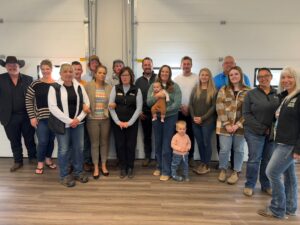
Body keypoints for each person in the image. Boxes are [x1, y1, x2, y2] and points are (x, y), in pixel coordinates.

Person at [258, 67, 300, 219]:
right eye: (283, 78)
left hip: (289, 144)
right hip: (279, 141)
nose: (286, 80)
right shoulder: (285, 96)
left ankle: (277, 208)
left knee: (272, 172)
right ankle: (290, 207)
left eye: (290, 77)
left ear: (296, 78)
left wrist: (298, 149)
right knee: (289, 176)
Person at [48, 63, 90, 187]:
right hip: (63, 125)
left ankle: (78, 172)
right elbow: (53, 108)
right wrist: (69, 121)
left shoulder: (79, 87)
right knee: (64, 150)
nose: (68, 74)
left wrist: (78, 119)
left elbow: (86, 104)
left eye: (70, 71)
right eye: (65, 71)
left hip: (79, 124)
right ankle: (64, 175)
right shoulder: (54, 88)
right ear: (60, 73)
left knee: (79, 149)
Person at [243, 68, 279, 197]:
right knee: (254, 159)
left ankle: (266, 185)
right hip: (253, 132)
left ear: (271, 77)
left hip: (272, 134)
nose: (263, 78)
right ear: (257, 79)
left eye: (266, 76)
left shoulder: (277, 94)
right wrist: (262, 128)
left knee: (268, 160)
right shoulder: (251, 94)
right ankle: (250, 184)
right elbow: (246, 114)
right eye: (260, 77)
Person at [214, 55, 251, 169]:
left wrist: (237, 125)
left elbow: (249, 110)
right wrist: (227, 124)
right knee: (224, 150)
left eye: (236, 74)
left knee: (239, 150)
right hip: (224, 125)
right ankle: (223, 169)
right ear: (228, 77)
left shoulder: (248, 91)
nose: (234, 76)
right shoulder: (223, 89)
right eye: (231, 75)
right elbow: (219, 106)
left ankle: (236, 170)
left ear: (241, 75)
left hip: (240, 126)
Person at [0, 56, 37, 172]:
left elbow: (33, 98)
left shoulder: (28, 79)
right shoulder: (0, 79)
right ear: (5, 66)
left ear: (19, 66)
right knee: (14, 140)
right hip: (9, 117)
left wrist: (34, 115)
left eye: (14, 65)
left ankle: (33, 157)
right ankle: (18, 161)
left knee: (30, 138)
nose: (12, 67)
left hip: (27, 116)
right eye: (9, 65)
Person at [147, 65, 182, 181]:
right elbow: (148, 102)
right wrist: (157, 96)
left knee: (167, 144)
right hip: (156, 118)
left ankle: (166, 171)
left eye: (167, 72)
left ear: (170, 73)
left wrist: (165, 110)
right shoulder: (154, 86)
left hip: (170, 118)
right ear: (159, 73)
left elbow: (177, 104)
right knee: (158, 142)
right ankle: (159, 166)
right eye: (163, 71)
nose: (164, 74)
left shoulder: (175, 86)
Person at [109, 67, 142, 179]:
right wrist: (118, 122)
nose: (125, 77)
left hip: (132, 124)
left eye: (127, 75)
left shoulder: (136, 90)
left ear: (131, 77)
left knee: (130, 145)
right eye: (123, 75)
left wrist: (129, 122)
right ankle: (123, 167)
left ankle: (130, 167)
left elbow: (138, 109)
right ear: (120, 77)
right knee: (120, 145)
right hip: (117, 124)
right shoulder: (115, 88)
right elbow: (111, 107)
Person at [25, 59, 56, 174]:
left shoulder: (56, 84)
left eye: (47, 69)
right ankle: (40, 162)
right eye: (43, 69)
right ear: (40, 70)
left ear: (51, 69)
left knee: (51, 140)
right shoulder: (35, 83)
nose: (45, 71)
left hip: (55, 119)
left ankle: (48, 159)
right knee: (43, 141)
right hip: (41, 118)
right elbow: (28, 100)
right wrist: (32, 117)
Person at [85, 65, 112, 179]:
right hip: (92, 119)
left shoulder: (109, 87)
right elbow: (84, 100)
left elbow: (112, 101)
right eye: (100, 72)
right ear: (95, 74)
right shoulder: (88, 86)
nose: (102, 75)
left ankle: (104, 165)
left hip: (105, 119)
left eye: (104, 73)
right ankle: (96, 167)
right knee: (95, 144)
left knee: (104, 143)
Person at [189, 68, 217, 175]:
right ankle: (202, 162)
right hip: (195, 121)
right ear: (199, 76)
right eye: (202, 75)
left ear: (209, 77)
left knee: (206, 142)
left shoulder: (214, 90)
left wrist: (202, 118)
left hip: (208, 122)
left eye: (206, 75)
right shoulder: (195, 88)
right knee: (200, 143)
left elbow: (214, 107)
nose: (204, 77)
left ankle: (206, 164)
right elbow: (191, 104)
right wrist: (193, 117)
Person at [174, 56, 198, 167]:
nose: (186, 66)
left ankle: (190, 157)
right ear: (181, 65)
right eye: (184, 64)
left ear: (191, 65)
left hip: (192, 111)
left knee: (191, 134)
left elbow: (198, 96)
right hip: (179, 111)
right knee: (179, 134)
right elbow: (174, 96)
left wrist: (189, 108)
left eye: (188, 64)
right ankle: (178, 156)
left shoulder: (196, 78)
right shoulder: (176, 79)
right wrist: (181, 107)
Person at [135, 57, 156, 166]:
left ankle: (159, 157)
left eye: (149, 64)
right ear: (142, 66)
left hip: (157, 113)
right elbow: (136, 98)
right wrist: (139, 112)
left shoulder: (158, 78)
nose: (147, 66)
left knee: (159, 135)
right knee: (147, 136)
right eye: (145, 65)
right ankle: (147, 156)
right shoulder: (138, 81)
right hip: (144, 114)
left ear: (152, 65)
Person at [72, 61, 93, 172]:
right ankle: (72, 163)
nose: (77, 71)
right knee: (71, 142)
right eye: (74, 69)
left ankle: (85, 162)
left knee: (85, 141)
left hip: (84, 117)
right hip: (71, 118)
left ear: (82, 71)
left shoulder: (86, 84)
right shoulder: (67, 84)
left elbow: (88, 100)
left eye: (79, 69)